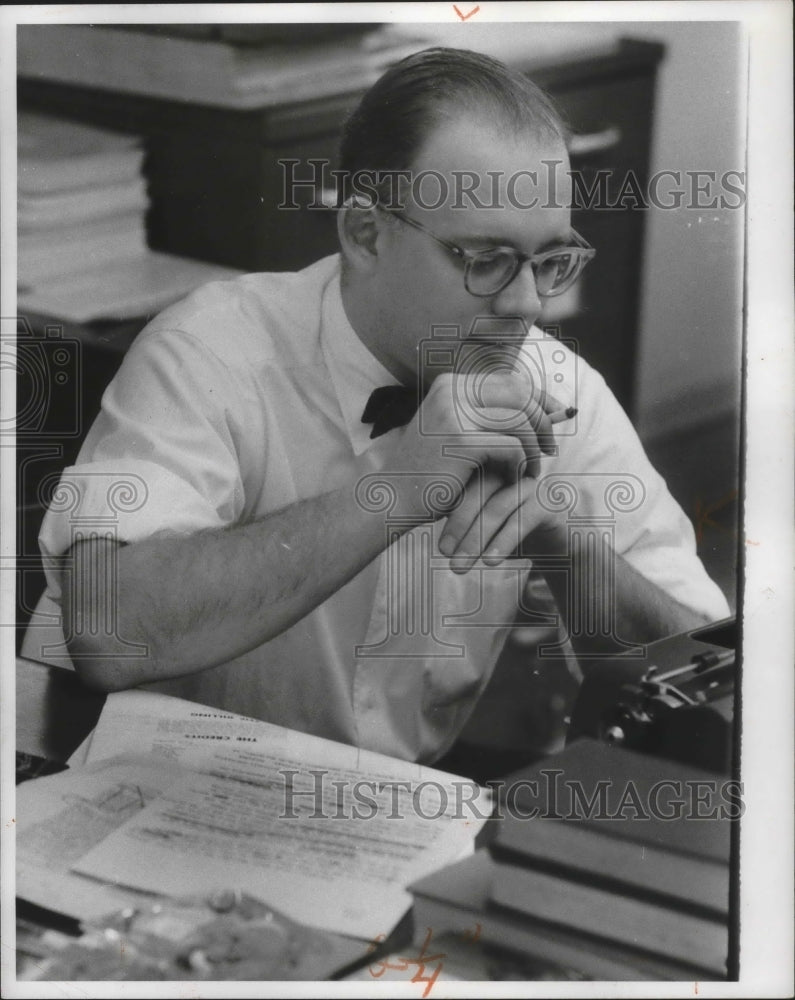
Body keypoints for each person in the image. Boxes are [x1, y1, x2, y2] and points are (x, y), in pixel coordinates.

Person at [29, 48, 729, 764]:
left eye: (549, 261)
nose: (527, 305)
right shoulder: (206, 351)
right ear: (365, 233)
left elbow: (713, 679)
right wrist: (394, 492)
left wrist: (571, 550)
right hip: (150, 792)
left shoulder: (559, 390)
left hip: (392, 812)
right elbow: (108, 635)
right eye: (485, 260)